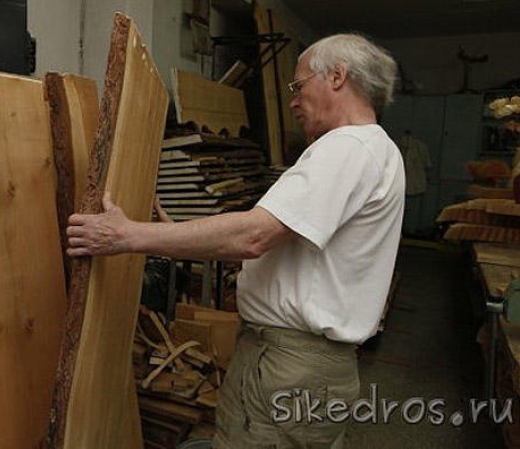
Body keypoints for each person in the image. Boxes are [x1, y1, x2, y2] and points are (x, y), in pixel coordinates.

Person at [66, 33, 405, 448]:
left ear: (337, 76)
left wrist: (126, 235)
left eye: (298, 87)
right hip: (299, 360)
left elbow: (254, 235)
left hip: (290, 363)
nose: (294, 101)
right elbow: (289, 247)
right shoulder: (375, 150)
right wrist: (176, 235)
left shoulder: (348, 148)